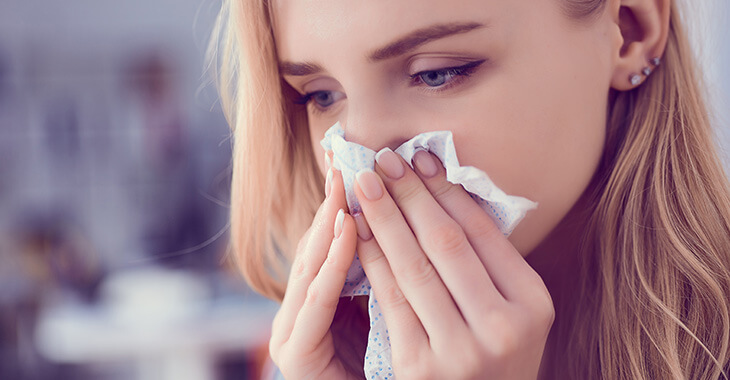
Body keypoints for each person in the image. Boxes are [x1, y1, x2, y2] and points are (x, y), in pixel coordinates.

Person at [206, 0, 730, 378]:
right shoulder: (319, 358)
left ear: (630, 30)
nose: (360, 153)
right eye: (322, 95)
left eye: (438, 73)